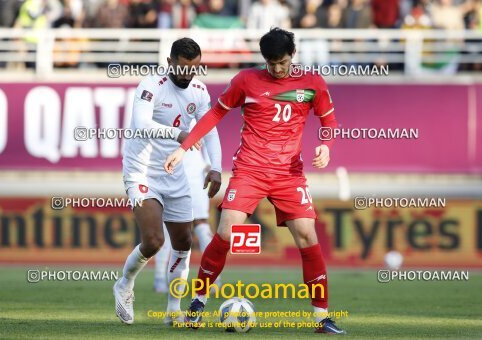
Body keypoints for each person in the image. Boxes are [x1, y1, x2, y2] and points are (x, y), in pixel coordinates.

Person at [164, 27, 345, 335]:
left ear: (293, 56)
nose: (276, 68)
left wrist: (326, 146)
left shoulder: (312, 83)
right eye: (270, 62)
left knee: (307, 235)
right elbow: (214, 115)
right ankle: (197, 302)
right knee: (227, 229)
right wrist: (183, 148)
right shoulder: (246, 81)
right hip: (250, 169)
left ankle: (322, 317)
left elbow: (328, 120)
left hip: (289, 174)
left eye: (282, 62)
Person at [113, 37, 222, 325]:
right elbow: (141, 124)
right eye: (183, 67)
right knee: (153, 240)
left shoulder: (198, 91)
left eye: (194, 68)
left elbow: (208, 129)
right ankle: (124, 284)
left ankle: (173, 311)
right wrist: (179, 135)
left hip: (175, 172)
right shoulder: (151, 86)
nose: (188, 74)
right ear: (170, 62)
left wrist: (216, 167)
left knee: (184, 242)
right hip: (142, 171)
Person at [153, 135, 222, 325]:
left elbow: (210, 136)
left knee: (199, 223)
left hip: (192, 173)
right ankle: (161, 277)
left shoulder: (199, 108)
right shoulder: (161, 108)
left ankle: (213, 278)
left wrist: (209, 163)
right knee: (175, 225)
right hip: (173, 171)